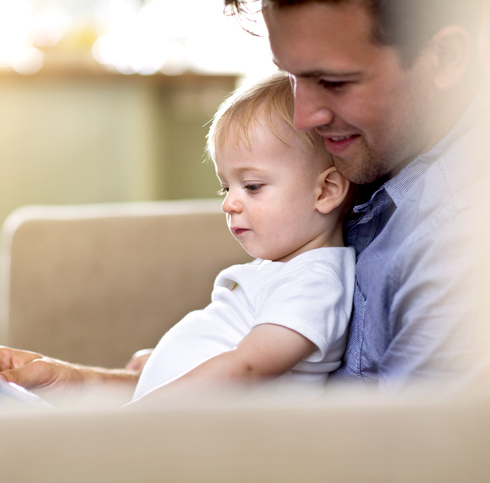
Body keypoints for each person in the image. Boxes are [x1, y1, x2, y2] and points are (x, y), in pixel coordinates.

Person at [0, 0, 489, 393]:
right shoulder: (350, 172)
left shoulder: (467, 241)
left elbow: (404, 454)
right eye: (292, 76)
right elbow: (257, 394)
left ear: (444, 57)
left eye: (333, 81)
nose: (304, 117)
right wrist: (76, 383)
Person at [131, 72, 355, 402]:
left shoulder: (315, 282)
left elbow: (248, 369)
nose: (228, 203)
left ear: (326, 190)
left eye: (251, 186)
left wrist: (145, 411)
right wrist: (166, 359)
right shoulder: (282, 269)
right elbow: (235, 340)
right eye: (226, 186)